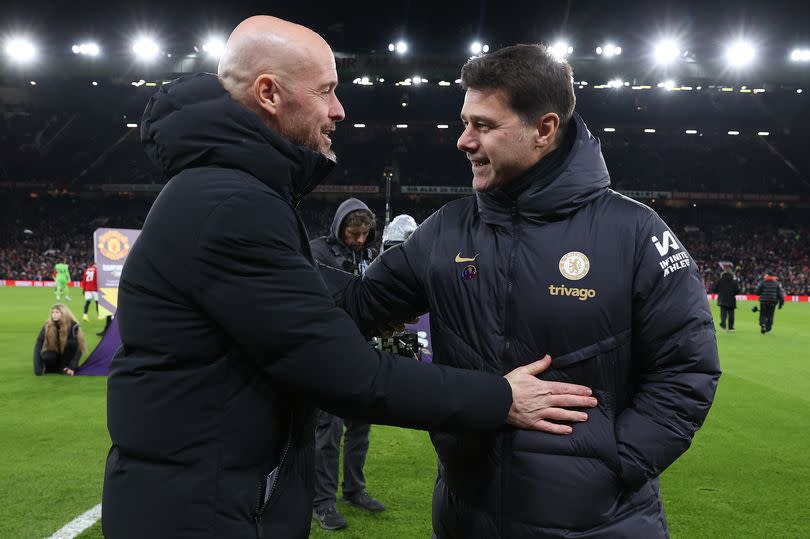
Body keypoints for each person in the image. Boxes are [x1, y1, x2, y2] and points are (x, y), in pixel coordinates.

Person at [101, 19, 598, 539]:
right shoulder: (232, 203)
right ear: (269, 93)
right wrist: (501, 398)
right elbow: (352, 377)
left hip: (196, 496)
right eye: (326, 91)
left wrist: (391, 292)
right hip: (202, 513)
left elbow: (294, 291)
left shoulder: (224, 191)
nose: (338, 110)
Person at [335, 44, 721, 538]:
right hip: (464, 519)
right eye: (464, 121)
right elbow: (355, 306)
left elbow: (688, 369)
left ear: (545, 129)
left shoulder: (635, 233)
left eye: (484, 125)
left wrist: (614, 467)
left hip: (598, 525)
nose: (463, 141)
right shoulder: (445, 231)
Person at [309, 199, 384, 530]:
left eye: (364, 235)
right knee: (328, 430)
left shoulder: (368, 254)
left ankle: (354, 490)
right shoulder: (317, 253)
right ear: (339, 227)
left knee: (361, 427)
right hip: (328, 354)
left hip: (361, 352)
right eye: (353, 234)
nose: (358, 240)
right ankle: (322, 502)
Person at [33, 303, 86, 376]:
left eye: (57, 312)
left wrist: (72, 367)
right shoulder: (47, 325)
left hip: (68, 356)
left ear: (64, 313)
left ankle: (65, 367)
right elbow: (38, 345)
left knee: (72, 343)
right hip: (55, 354)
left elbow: (79, 349)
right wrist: (37, 367)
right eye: (52, 312)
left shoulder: (73, 326)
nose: (54, 314)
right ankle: (56, 367)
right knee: (47, 356)